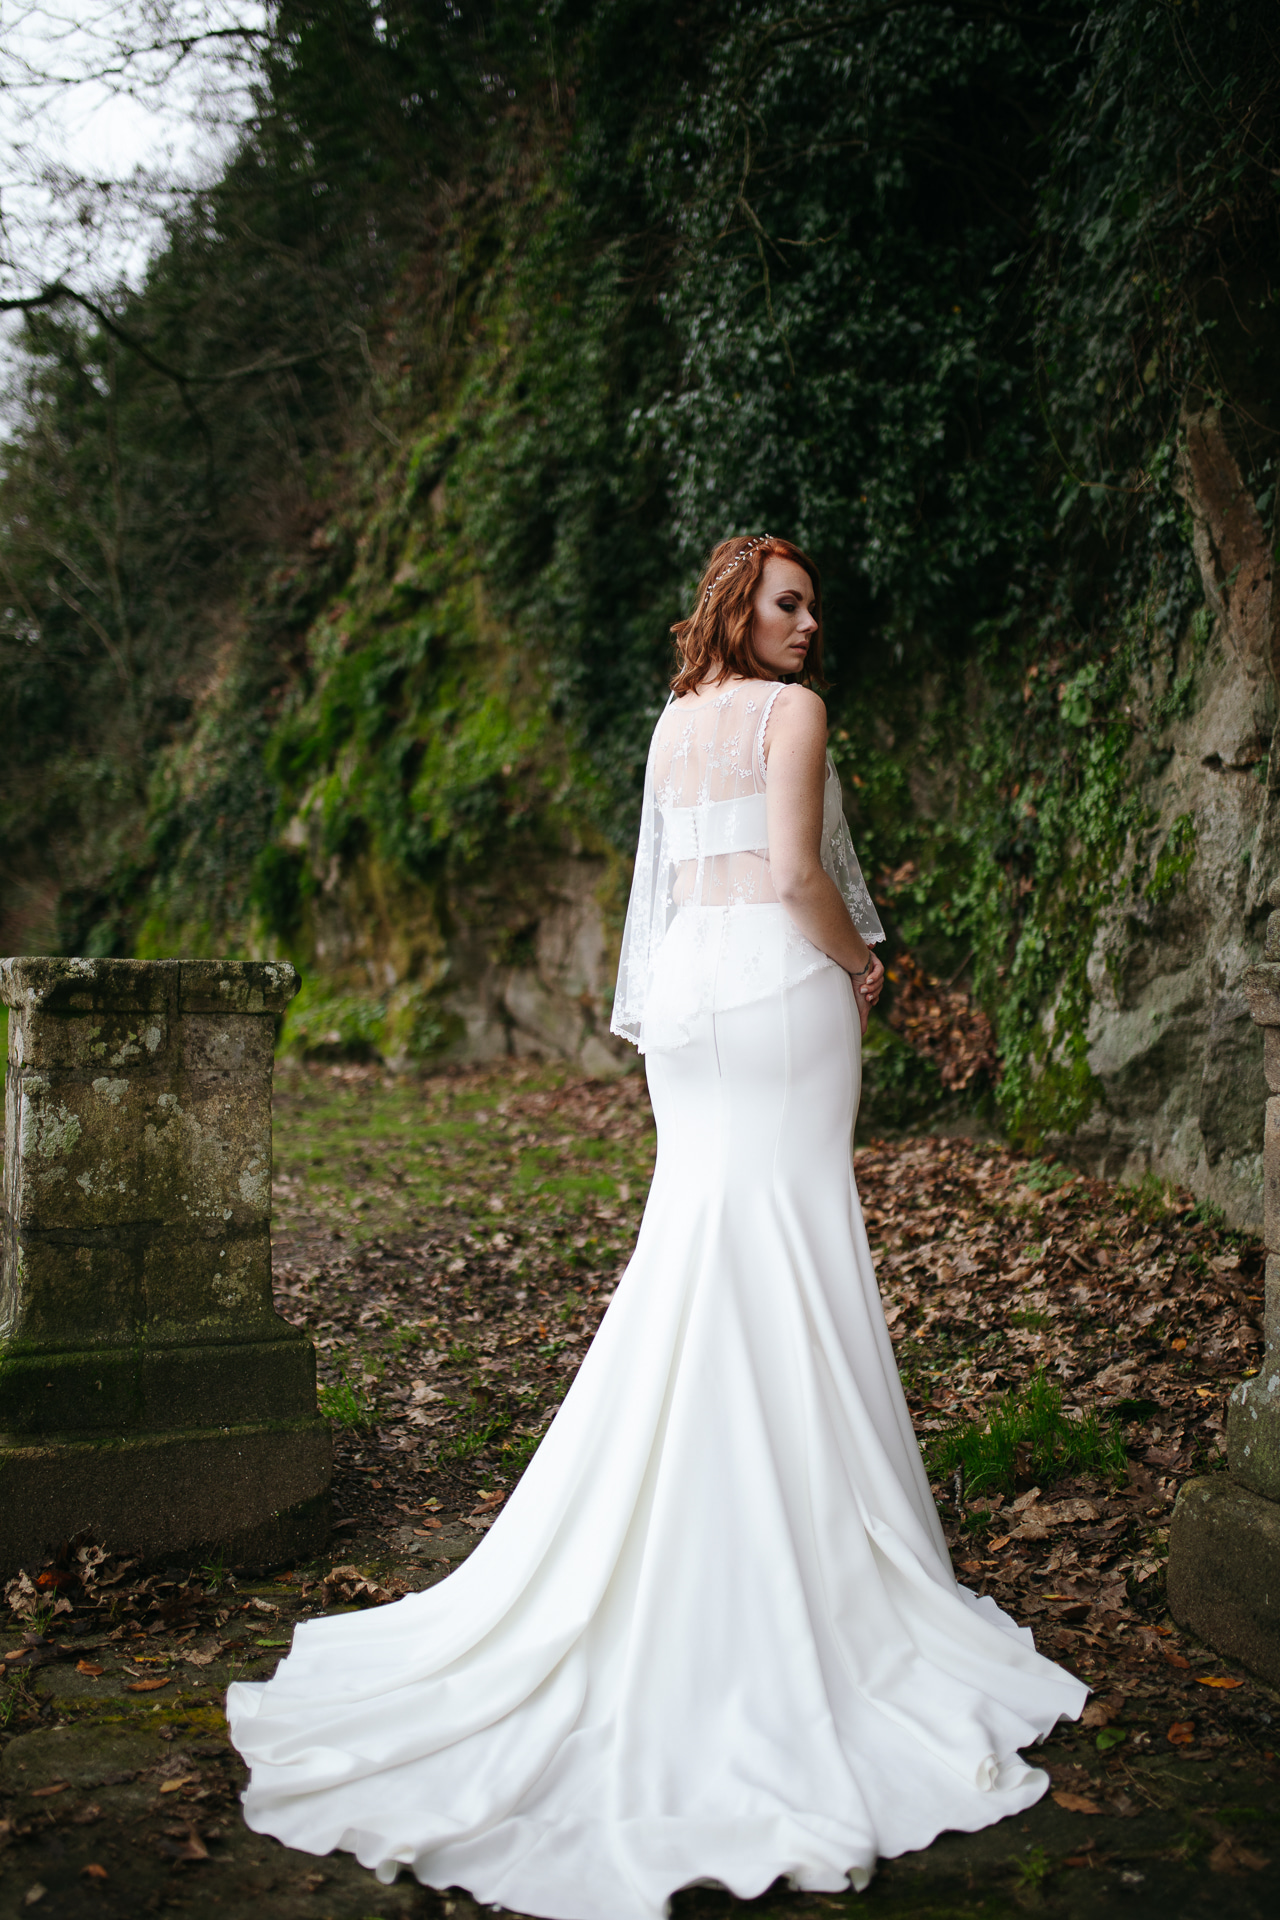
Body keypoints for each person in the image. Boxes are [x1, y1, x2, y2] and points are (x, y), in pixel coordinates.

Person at [226, 535, 1086, 1920]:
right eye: (787, 601)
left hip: (689, 1007)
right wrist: (869, 967)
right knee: (789, 1235)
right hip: (777, 996)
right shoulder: (790, 714)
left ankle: (687, 1510)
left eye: (815, 608)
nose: (811, 626)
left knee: (703, 1241)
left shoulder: (676, 723)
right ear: (735, 605)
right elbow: (801, 876)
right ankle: (799, 1547)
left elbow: (677, 894)